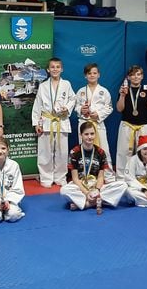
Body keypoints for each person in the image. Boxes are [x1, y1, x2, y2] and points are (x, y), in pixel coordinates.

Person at [60, 121, 127, 213]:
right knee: (64, 190)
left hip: (95, 186)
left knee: (123, 185)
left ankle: (87, 204)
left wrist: (97, 190)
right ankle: (99, 201)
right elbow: (75, 178)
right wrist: (87, 192)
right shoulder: (74, 152)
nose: (89, 137)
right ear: (81, 135)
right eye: (86, 134)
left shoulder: (100, 152)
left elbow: (101, 177)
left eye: (92, 134)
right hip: (80, 186)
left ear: (95, 134)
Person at [32, 57, 76, 187]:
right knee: (45, 152)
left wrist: (66, 107)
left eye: (57, 67)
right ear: (48, 69)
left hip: (61, 120)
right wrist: (36, 123)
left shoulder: (66, 84)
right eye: (52, 67)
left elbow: (73, 99)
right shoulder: (43, 86)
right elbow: (37, 105)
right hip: (47, 121)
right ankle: (46, 177)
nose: (55, 69)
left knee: (62, 152)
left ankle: (60, 177)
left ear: (61, 69)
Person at [115, 65, 147, 179]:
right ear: (128, 77)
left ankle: (142, 175)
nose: (136, 77)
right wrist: (122, 96)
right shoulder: (124, 90)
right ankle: (121, 177)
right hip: (127, 125)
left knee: (143, 152)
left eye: (138, 74)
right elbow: (119, 109)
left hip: (142, 126)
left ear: (142, 76)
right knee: (123, 152)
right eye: (133, 75)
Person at [76, 63, 115, 182]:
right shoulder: (81, 91)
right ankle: (85, 175)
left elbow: (109, 107)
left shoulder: (104, 91)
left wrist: (98, 114)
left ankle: (108, 176)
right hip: (84, 123)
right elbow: (76, 106)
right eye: (89, 73)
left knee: (104, 149)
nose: (92, 75)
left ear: (99, 75)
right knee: (84, 150)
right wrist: (81, 110)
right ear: (85, 76)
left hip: (98, 123)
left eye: (94, 73)